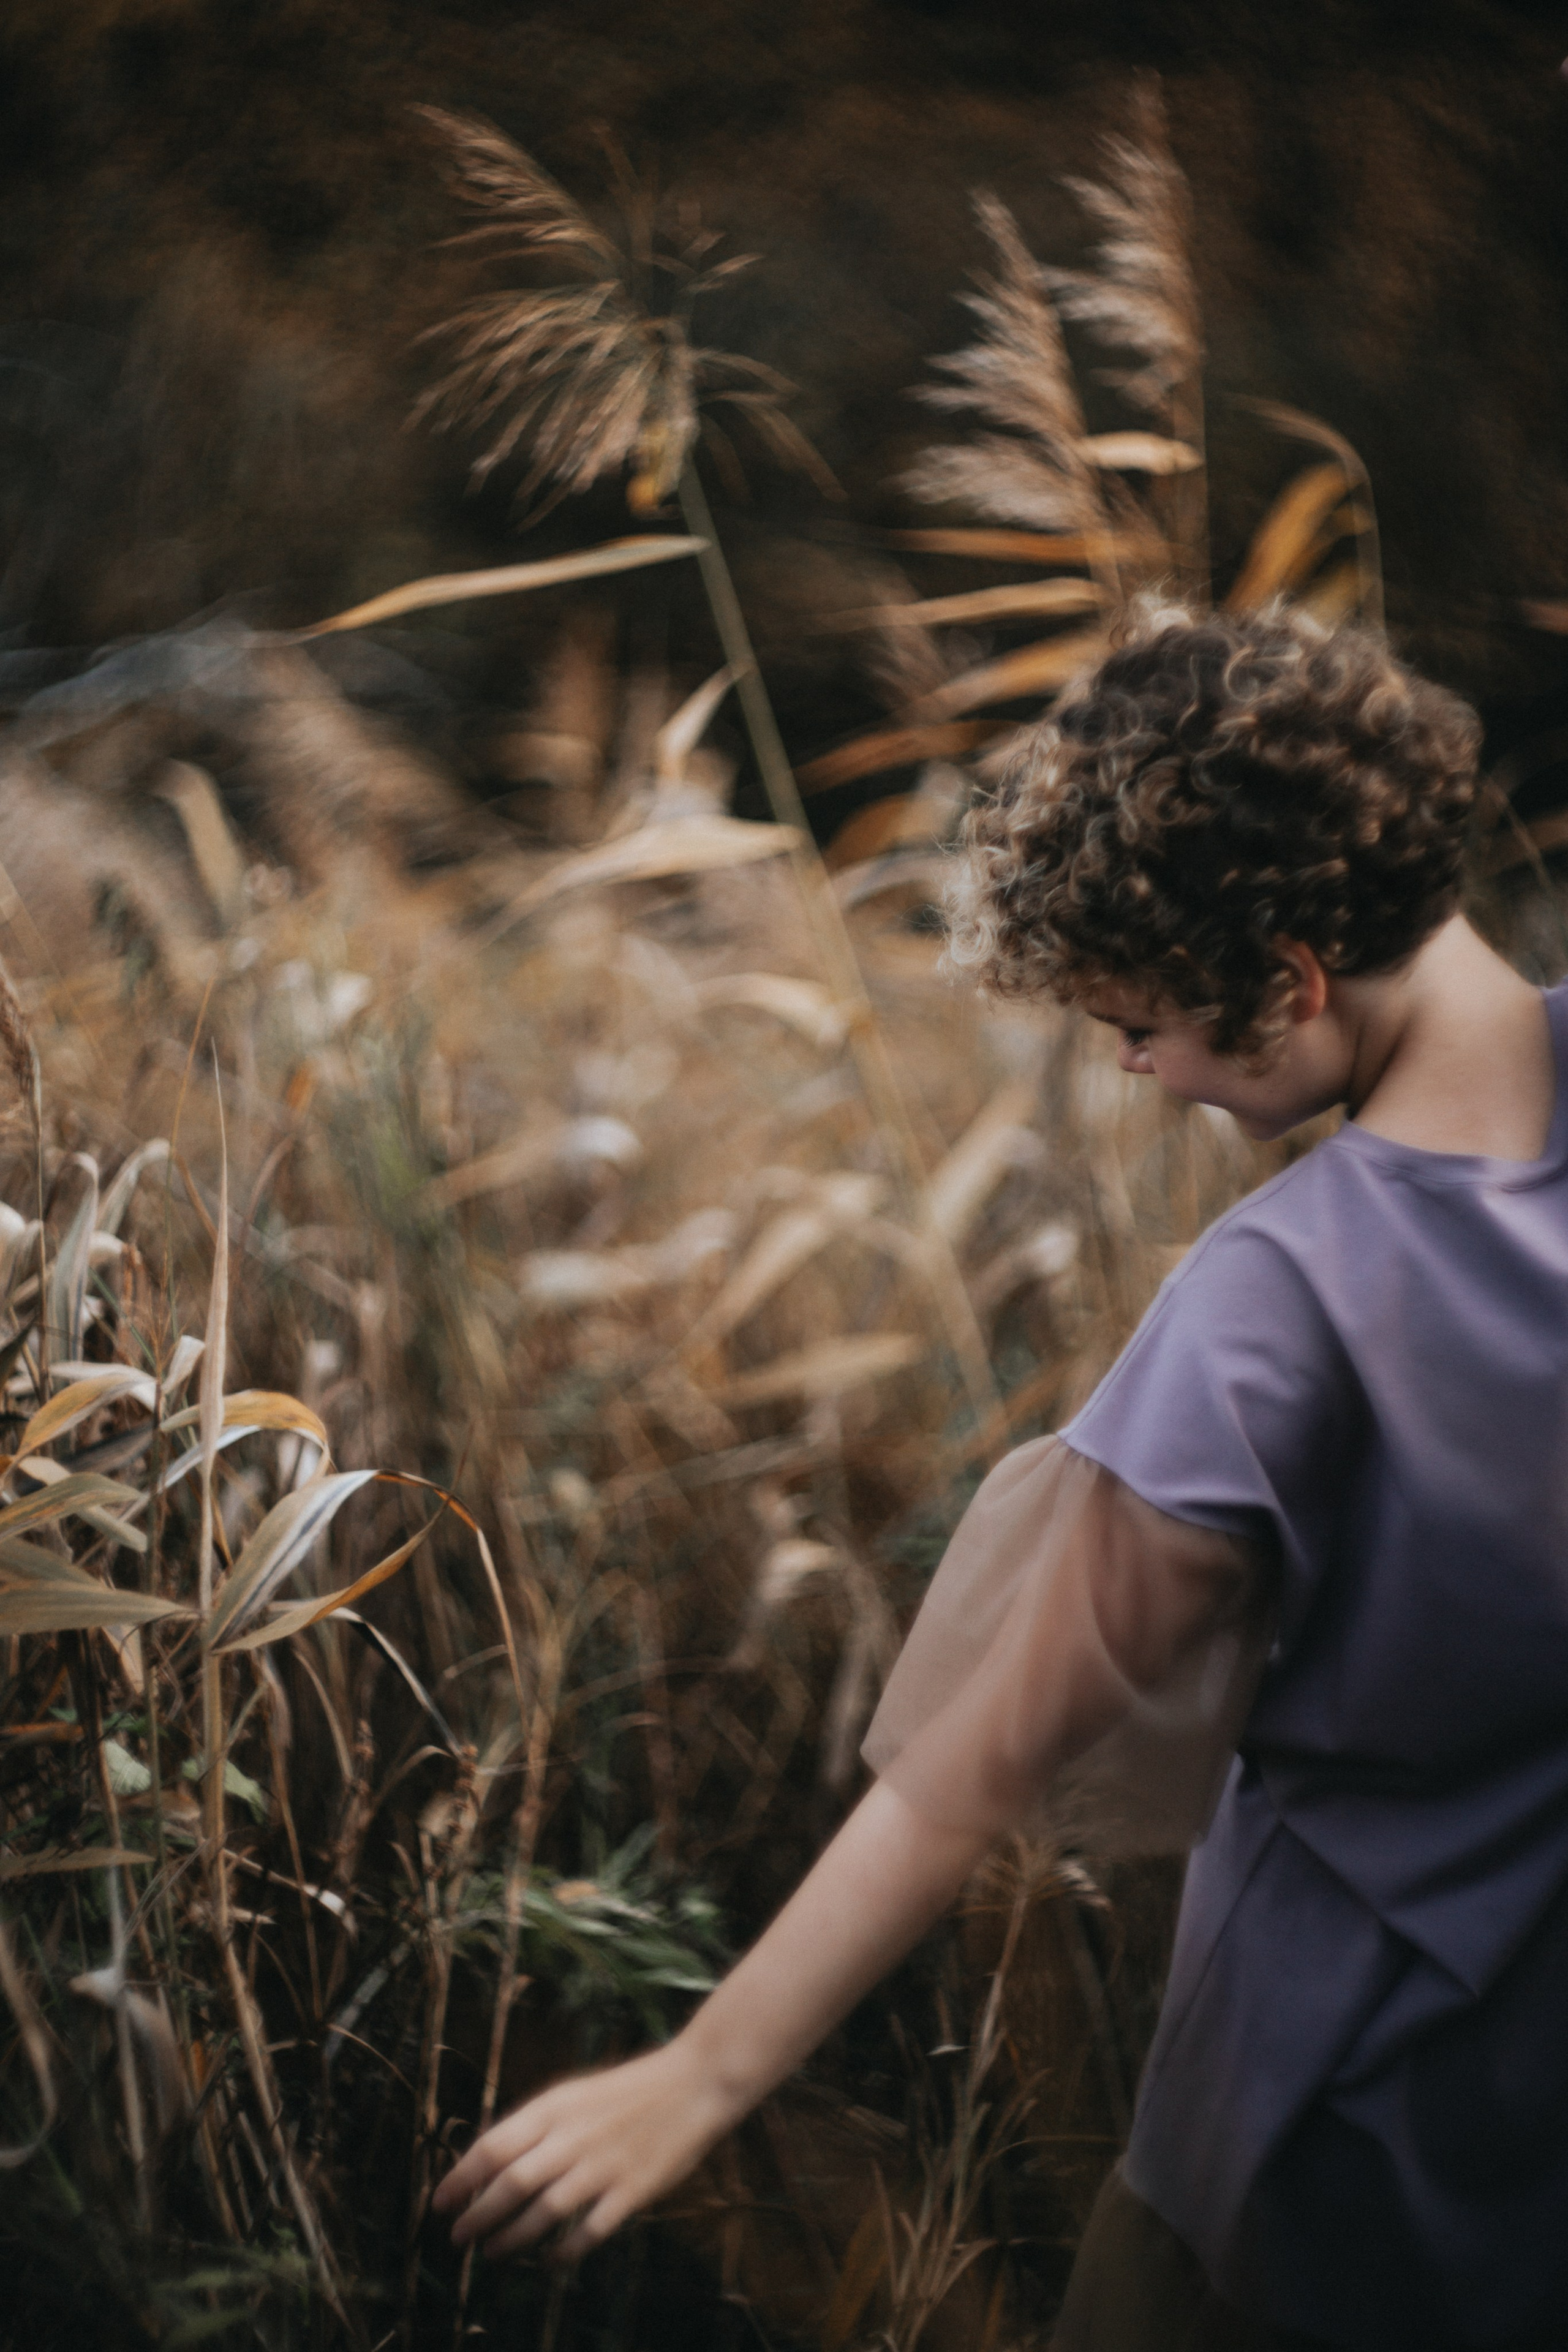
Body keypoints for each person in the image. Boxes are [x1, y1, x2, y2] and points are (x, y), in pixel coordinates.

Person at [433, 603, 1568, 2350]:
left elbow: (977, 1766)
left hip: (1328, 2116)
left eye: (1141, 1024)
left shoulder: (1283, 1307)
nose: (1133, 1069)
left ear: (1290, 978)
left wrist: (704, 2073)